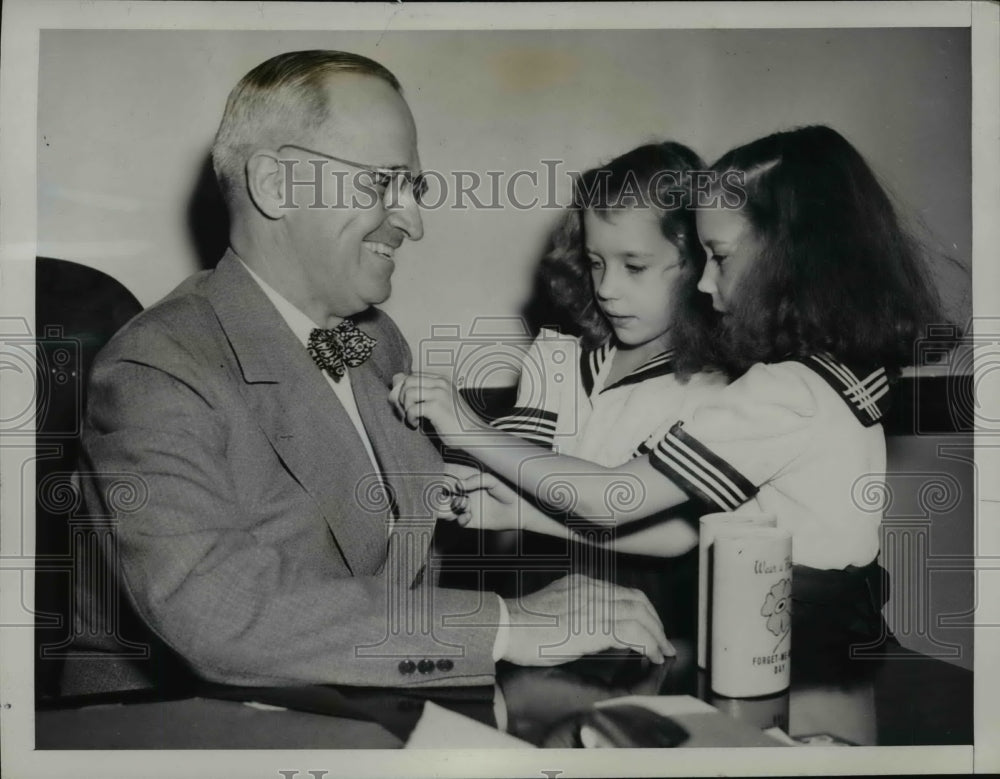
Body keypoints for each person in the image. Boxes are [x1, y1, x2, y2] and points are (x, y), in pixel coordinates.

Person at [71, 50, 673, 692]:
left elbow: (405, 561)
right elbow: (219, 610)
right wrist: (508, 624)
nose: (412, 221)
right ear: (277, 185)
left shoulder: (376, 342)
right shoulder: (157, 367)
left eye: (414, 189)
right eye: (381, 184)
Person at [396, 125, 945, 648]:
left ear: (790, 258)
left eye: (719, 259)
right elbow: (687, 528)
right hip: (799, 615)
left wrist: (468, 428)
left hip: (802, 629)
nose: (704, 283)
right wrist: (522, 513)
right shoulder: (828, 374)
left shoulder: (785, 392)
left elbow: (614, 500)